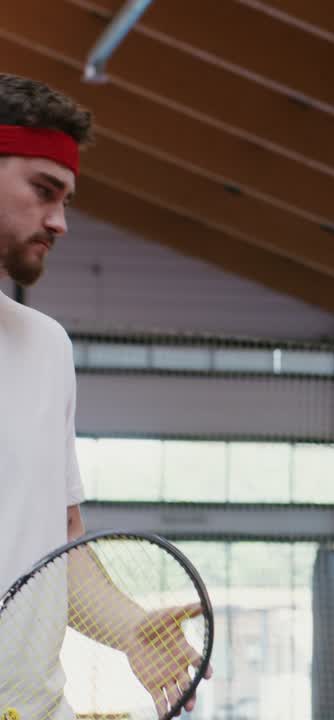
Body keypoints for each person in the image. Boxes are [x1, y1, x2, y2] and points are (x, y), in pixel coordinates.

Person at [0, 73, 208, 718]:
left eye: (66, 199)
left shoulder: (46, 348)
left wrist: (130, 629)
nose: (60, 222)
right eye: (43, 191)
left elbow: (56, 547)